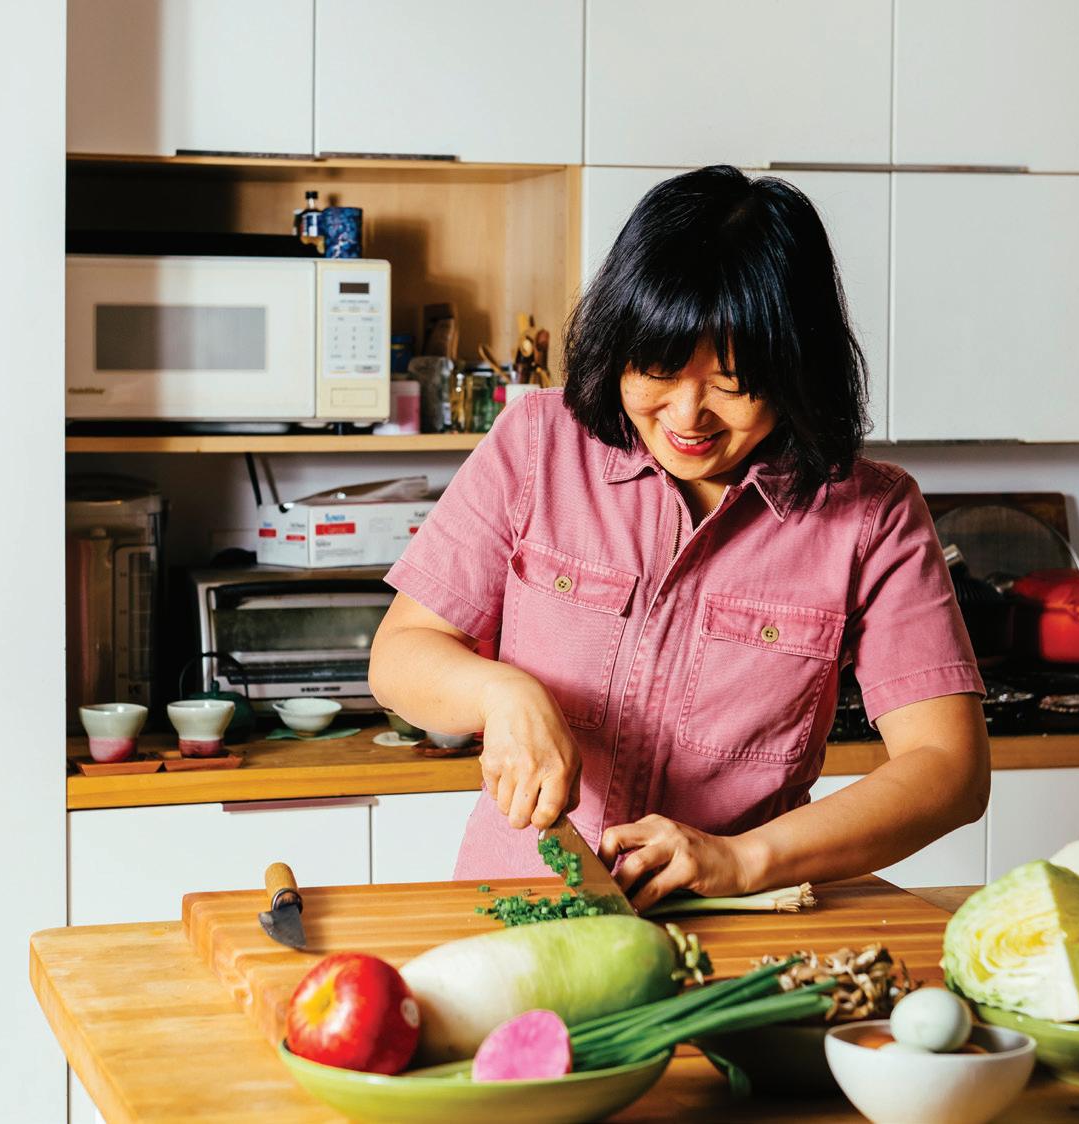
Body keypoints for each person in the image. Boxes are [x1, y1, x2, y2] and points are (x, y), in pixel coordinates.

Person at [369, 166, 989, 910]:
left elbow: (949, 767)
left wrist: (740, 859)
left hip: (744, 921)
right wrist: (501, 693)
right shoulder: (537, 443)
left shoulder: (872, 514)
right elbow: (399, 656)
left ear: (796, 369)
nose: (688, 416)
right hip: (521, 905)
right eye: (658, 370)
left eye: (733, 383)